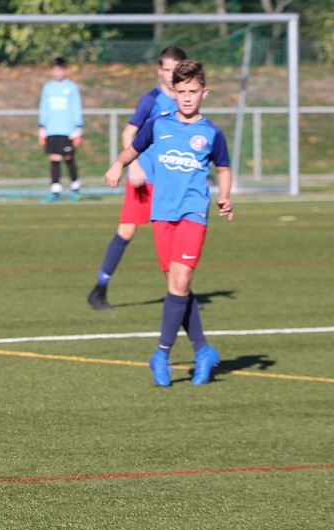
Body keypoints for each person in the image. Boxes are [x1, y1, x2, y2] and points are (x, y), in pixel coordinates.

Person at [104, 60, 231, 387]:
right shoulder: (158, 125)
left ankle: (161, 353)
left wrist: (225, 196)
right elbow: (132, 150)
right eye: (182, 91)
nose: (188, 97)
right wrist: (118, 165)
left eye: (194, 91)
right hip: (162, 214)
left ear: (204, 92)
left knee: (181, 281)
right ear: (173, 91)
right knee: (178, 287)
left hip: (193, 213)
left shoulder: (211, 132)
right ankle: (203, 350)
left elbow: (223, 167)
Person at [87, 46, 187, 310]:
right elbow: (128, 133)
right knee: (127, 231)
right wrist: (135, 166)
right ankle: (99, 288)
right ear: (159, 70)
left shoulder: (186, 99)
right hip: (146, 179)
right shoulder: (151, 99)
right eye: (167, 70)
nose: (171, 75)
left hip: (170, 182)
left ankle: (180, 293)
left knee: (173, 234)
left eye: (176, 70)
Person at [38, 57, 84, 202]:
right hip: (52, 129)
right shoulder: (48, 87)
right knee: (54, 158)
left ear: (65, 70)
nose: (58, 73)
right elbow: (44, 107)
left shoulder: (71, 87)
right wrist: (42, 127)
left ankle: (75, 189)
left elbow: (76, 106)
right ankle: (55, 191)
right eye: (55, 70)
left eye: (61, 70)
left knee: (69, 158)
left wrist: (78, 127)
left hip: (67, 129)